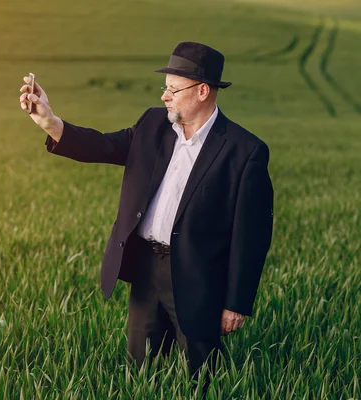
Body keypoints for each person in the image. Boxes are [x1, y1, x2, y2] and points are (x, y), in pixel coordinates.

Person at [18, 42, 274, 384]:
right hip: (145, 268)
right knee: (141, 373)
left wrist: (236, 302)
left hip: (199, 278)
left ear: (202, 91)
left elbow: (251, 236)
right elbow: (102, 145)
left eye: (172, 89)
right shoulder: (153, 125)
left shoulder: (245, 151)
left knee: (203, 377)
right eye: (164, 88)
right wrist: (49, 120)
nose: (165, 96)